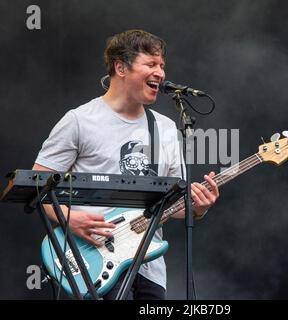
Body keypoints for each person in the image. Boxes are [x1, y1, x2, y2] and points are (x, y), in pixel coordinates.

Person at [32, 29, 219, 300]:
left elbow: (172, 206)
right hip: (93, 257)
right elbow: (37, 185)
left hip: (149, 265)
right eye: (151, 64)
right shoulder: (79, 121)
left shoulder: (165, 129)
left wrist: (198, 208)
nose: (161, 73)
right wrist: (71, 220)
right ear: (121, 67)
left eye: (162, 66)